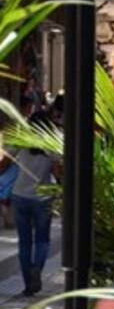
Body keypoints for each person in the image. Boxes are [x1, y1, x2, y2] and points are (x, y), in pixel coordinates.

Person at [0, 110, 60, 295]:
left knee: (24, 242)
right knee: (42, 239)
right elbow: (58, 171)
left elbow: (4, 164)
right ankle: (37, 269)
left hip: (20, 196)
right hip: (43, 197)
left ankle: (28, 284)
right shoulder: (51, 144)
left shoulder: (21, 142)